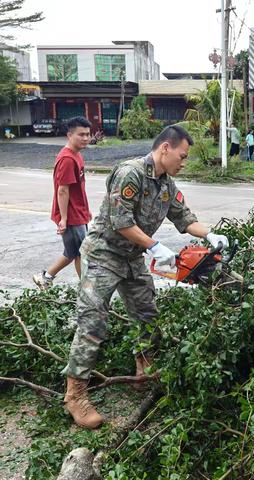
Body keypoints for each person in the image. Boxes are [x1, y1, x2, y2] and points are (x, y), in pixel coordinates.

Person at [62, 125, 228, 429]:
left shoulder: (166, 185)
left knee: (148, 316)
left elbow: (184, 218)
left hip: (131, 258)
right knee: (93, 322)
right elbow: (120, 221)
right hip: (103, 255)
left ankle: (144, 371)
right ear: (165, 148)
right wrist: (154, 245)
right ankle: (75, 395)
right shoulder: (131, 174)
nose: (184, 161)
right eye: (182, 155)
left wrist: (211, 234)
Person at [33, 117, 92, 289]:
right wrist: (64, 219)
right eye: (81, 135)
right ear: (69, 135)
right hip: (71, 215)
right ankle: (86, 288)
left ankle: (46, 277)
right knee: (79, 252)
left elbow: (77, 188)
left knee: (75, 251)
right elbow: (62, 190)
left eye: (88, 134)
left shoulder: (76, 155)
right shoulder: (67, 159)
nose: (86, 138)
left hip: (78, 212)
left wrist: (86, 211)